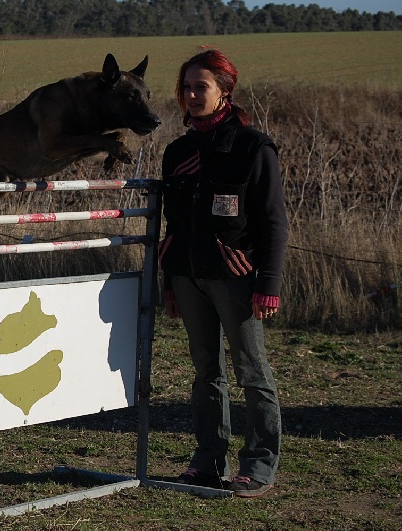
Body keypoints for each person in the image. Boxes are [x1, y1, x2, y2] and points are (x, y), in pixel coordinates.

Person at [158, 48, 289, 498]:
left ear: (225, 91)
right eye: (186, 88)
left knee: (252, 370)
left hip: (237, 279)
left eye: (202, 87)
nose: (192, 95)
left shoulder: (254, 147)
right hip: (187, 278)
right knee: (205, 373)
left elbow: (274, 221)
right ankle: (209, 459)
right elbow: (173, 226)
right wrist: (169, 285)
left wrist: (268, 285)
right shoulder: (177, 152)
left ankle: (259, 464)